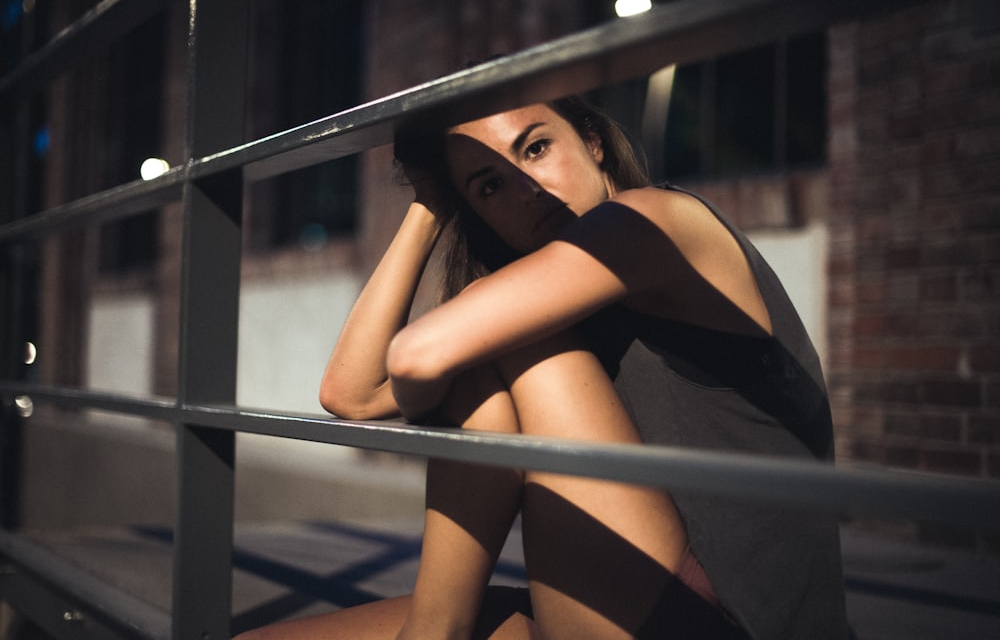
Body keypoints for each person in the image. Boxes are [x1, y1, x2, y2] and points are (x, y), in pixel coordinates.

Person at [236, 96, 848, 639]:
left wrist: (450, 372)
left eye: (535, 147)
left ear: (594, 141)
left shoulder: (658, 218)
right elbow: (350, 392)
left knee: (491, 342)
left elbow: (419, 354)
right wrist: (430, 202)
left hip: (729, 619)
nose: (527, 189)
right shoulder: (561, 300)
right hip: (626, 595)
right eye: (490, 187)